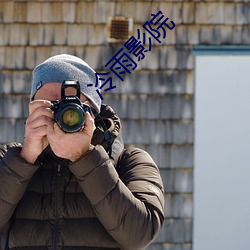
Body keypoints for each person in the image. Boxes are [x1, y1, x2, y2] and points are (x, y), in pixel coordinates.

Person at [0, 54, 164, 250]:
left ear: (93, 111)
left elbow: (139, 235)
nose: (59, 116)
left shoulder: (130, 162)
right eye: (49, 106)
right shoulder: (9, 160)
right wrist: (24, 160)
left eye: (69, 107)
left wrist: (85, 158)